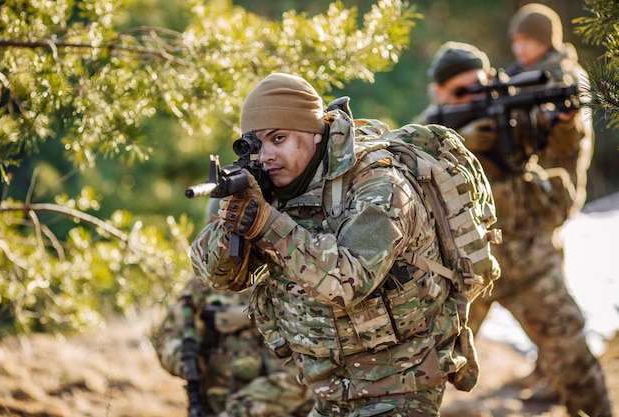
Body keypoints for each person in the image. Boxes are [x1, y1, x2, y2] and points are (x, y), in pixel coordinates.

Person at [190, 72, 484, 416]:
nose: (266, 155)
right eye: (255, 144)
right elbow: (218, 278)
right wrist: (233, 225)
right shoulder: (274, 185)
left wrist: (268, 224)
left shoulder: (379, 183)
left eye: (279, 138)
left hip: (400, 381)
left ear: (315, 135)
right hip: (328, 388)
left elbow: (348, 281)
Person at [416, 35, 611, 417]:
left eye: (480, 84)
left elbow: (560, 153)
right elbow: (407, 183)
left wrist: (566, 125)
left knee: (573, 359)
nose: (474, 98)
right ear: (439, 92)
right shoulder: (425, 132)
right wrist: (457, 143)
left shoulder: (513, 111)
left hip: (530, 262)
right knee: (425, 369)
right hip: (464, 274)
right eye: (461, 91)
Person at [151, 274, 314, 417]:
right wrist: (183, 360)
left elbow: (308, 370)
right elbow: (168, 336)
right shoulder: (204, 284)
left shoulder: (289, 282)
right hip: (211, 407)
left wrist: (237, 411)